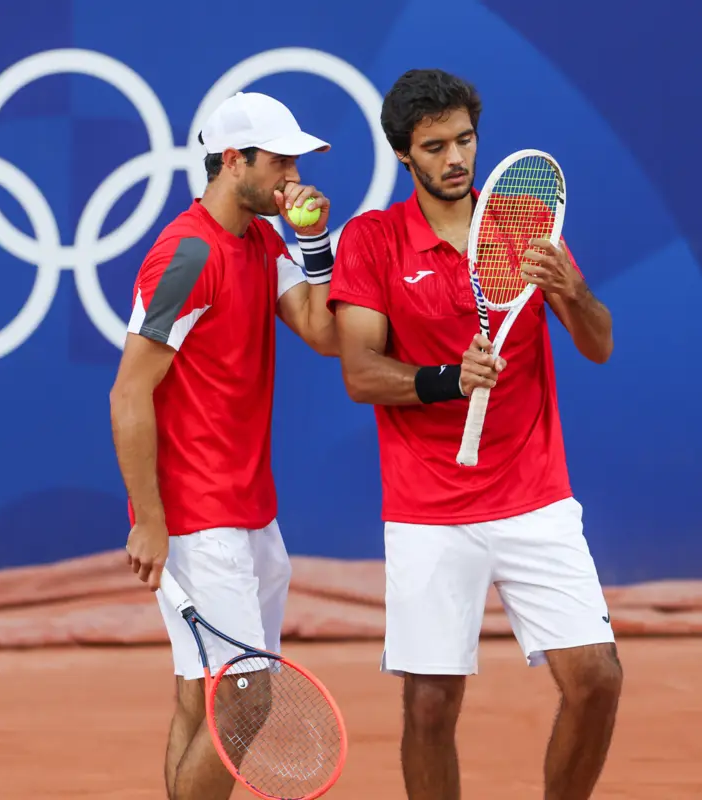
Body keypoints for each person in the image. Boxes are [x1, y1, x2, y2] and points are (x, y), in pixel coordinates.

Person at [327, 68, 623, 799]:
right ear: (405, 155)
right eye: (435, 146)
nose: (455, 158)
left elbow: (599, 343)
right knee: (429, 705)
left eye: (464, 139)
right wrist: (443, 380)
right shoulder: (372, 240)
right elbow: (361, 372)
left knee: (597, 680)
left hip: (534, 494)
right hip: (429, 507)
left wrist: (572, 292)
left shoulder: (522, 220)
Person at [108, 90, 339, 800]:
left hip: (251, 512)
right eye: (279, 159)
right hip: (201, 522)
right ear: (232, 160)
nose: (293, 174)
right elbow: (128, 393)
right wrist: (149, 517)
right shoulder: (185, 256)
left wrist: (314, 243)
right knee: (247, 699)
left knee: (198, 696)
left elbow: (326, 334)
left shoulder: (264, 241)